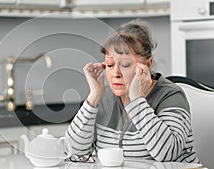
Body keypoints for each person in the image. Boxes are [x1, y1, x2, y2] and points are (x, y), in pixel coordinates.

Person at [65, 19, 199, 163]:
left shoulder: (171, 96)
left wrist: (136, 99)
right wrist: (93, 97)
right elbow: (74, 152)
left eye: (125, 64)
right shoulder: (103, 98)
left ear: (147, 65)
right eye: (110, 65)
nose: (115, 73)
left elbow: (167, 154)